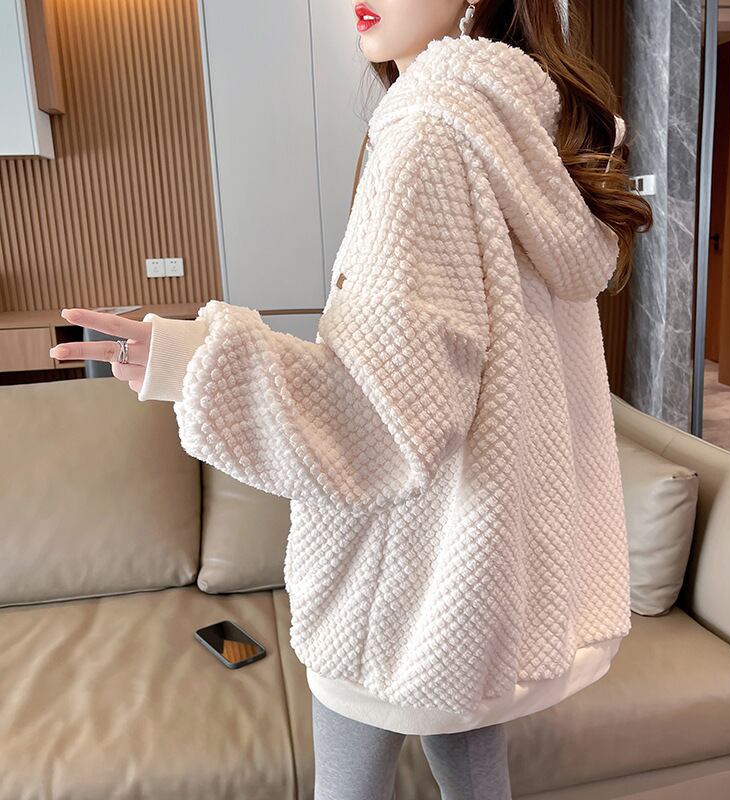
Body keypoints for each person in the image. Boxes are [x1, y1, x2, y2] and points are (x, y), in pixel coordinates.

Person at [49, 0, 653, 797]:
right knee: (476, 775)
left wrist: (191, 362)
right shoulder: (530, 134)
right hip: (476, 566)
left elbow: (375, 414)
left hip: (401, 566)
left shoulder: (427, 133)